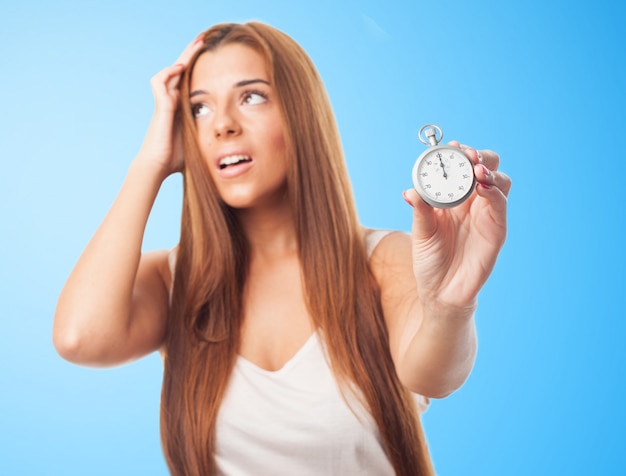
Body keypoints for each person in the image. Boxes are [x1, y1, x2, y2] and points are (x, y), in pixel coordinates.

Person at [53, 21, 511, 476]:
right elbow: (79, 338)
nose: (223, 126)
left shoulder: (384, 261)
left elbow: (434, 376)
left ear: (300, 113)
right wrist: (150, 162)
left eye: (251, 96)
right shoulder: (175, 283)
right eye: (198, 109)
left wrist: (449, 306)